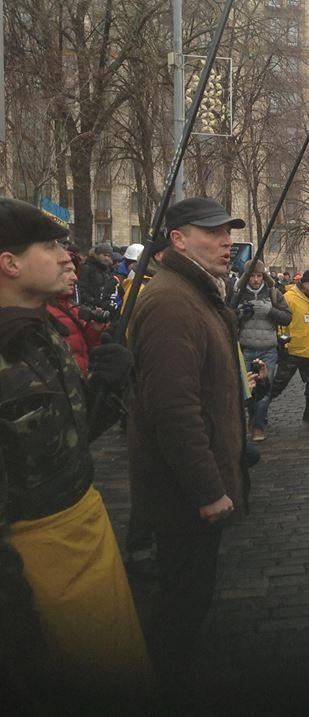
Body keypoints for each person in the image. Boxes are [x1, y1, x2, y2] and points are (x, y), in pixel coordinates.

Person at [0, 199, 147, 703]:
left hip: (86, 535)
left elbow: (68, 437)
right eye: (51, 246)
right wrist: (16, 622)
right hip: (36, 563)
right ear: (9, 263)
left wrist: (107, 390)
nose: (68, 258)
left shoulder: (43, 332)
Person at [127, 197, 249, 689]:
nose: (227, 242)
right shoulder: (172, 301)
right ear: (178, 239)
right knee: (181, 605)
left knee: (191, 600)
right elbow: (174, 412)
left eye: (229, 233)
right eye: (214, 233)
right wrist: (207, 490)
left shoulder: (195, 291)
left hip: (197, 484)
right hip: (185, 498)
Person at [234, 259, 292, 441]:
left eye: (259, 276)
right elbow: (225, 317)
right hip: (246, 348)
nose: (256, 280)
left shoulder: (274, 293)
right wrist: (238, 313)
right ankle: (254, 418)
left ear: (264, 276)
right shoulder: (238, 294)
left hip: (268, 349)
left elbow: (287, 317)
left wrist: (270, 311)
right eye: (252, 276)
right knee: (249, 390)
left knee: (265, 390)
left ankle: (259, 426)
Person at [273, 268, 309, 423]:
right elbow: (281, 323)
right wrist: (282, 343)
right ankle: (259, 411)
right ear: (303, 283)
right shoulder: (289, 297)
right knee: (277, 385)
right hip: (292, 350)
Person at [77, 241, 119, 314]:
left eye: (109, 256)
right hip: (90, 308)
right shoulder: (87, 268)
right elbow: (81, 289)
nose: (106, 258)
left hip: (103, 308)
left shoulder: (107, 270)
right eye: (104, 255)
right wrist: (93, 301)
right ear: (97, 255)